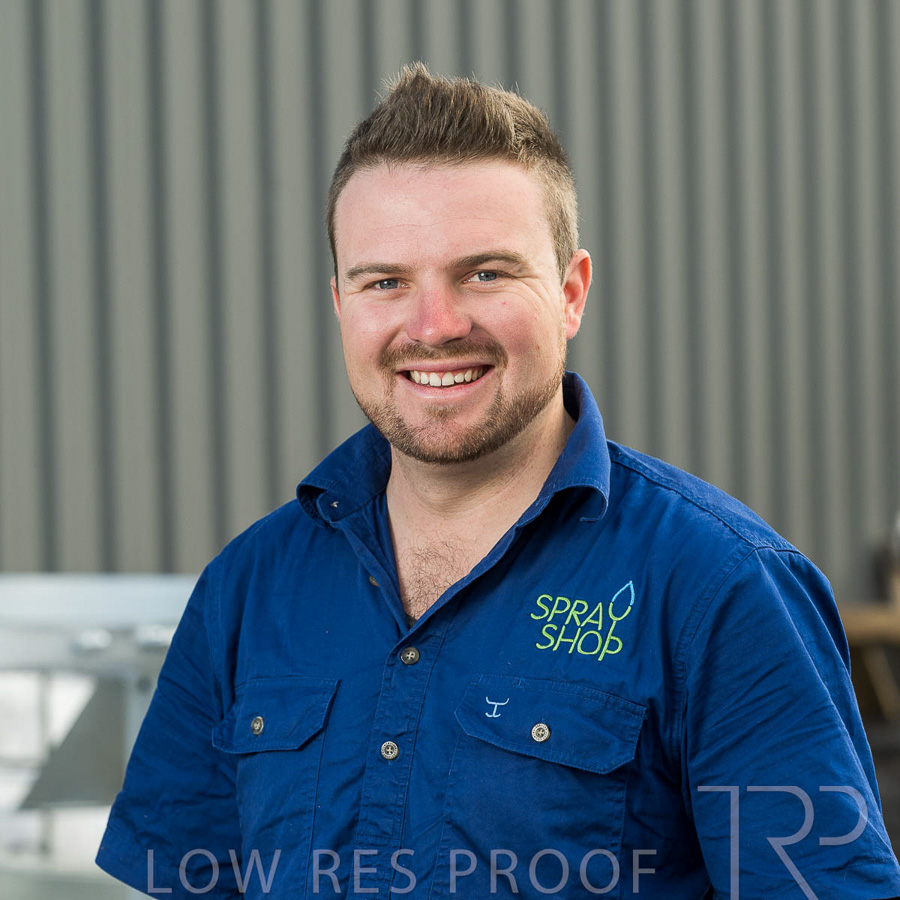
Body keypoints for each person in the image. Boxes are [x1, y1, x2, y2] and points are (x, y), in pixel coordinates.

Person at [97, 63, 900, 899]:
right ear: (341, 303)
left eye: (484, 273)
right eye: (385, 282)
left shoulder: (721, 588)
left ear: (570, 293)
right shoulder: (248, 588)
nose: (435, 326)